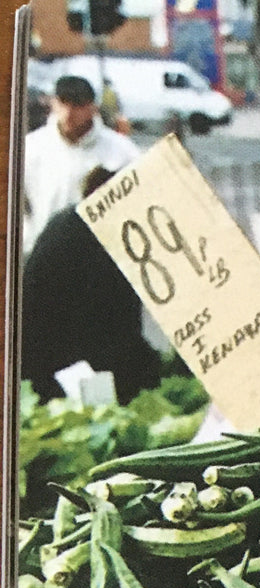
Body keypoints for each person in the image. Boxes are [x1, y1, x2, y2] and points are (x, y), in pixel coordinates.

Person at [22, 165, 163, 403]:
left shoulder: (65, 223)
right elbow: (115, 335)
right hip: (63, 372)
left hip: (38, 366)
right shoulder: (101, 243)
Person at [23, 74, 139, 255]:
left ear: (93, 108)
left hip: (98, 257)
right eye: (63, 103)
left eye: (78, 105)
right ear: (53, 103)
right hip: (42, 255)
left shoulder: (122, 152)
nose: (69, 113)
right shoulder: (30, 148)